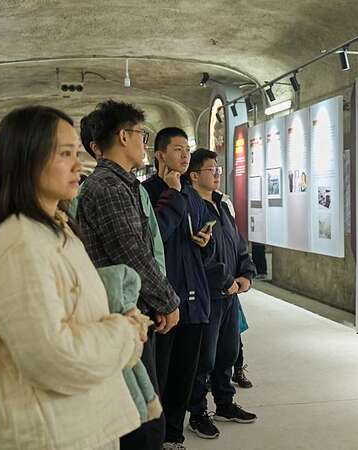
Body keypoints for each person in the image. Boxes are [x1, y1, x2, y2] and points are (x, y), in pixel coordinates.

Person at [0, 105, 149, 450]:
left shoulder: (57, 229)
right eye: (65, 154)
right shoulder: (20, 245)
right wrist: (125, 332)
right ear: (28, 159)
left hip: (79, 424)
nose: (77, 166)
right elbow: (54, 358)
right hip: (53, 434)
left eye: (77, 153)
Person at [76, 101, 179, 450]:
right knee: (141, 421)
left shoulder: (121, 184)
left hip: (133, 309)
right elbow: (131, 253)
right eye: (141, 134)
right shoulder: (108, 187)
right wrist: (167, 300)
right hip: (121, 315)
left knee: (144, 411)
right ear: (123, 136)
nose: (143, 142)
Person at [142, 127, 213, 449]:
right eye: (177, 149)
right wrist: (172, 195)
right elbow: (152, 238)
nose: (185, 156)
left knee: (186, 372)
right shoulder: (146, 192)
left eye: (187, 150)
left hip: (194, 298)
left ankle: (174, 435)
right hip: (163, 299)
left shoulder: (192, 194)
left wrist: (206, 242)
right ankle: (156, 437)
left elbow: (205, 243)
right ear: (160, 154)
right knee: (160, 374)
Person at [185, 149, 257, 440]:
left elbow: (238, 244)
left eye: (218, 169)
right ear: (194, 175)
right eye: (211, 169)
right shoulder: (191, 208)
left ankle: (225, 403)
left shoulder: (221, 205)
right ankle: (198, 412)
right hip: (209, 295)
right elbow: (199, 255)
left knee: (229, 352)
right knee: (205, 358)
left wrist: (246, 275)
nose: (217, 173)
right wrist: (226, 281)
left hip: (230, 294)